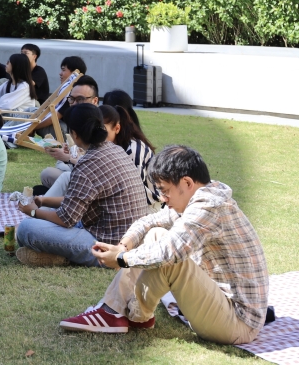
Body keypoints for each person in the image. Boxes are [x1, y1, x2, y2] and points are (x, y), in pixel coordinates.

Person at [61, 146, 268, 345]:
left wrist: (122, 259)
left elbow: (170, 252)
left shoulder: (208, 206)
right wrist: (123, 247)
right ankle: (116, 311)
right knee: (156, 234)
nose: (162, 198)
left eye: (165, 191)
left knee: (169, 258)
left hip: (238, 322)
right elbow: (149, 222)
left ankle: (132, 315)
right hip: (222, 303)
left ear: (187, 183)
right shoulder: (200, 194)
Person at [15, 104, 148, 267]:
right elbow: (79, 201)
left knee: (26, 228)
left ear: (75, 134)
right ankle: (55, 255)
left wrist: (34, 211)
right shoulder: (115, 150)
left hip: (109, 246)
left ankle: (61, 257)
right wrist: (44, 201)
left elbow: (66, 219)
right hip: (129, 238)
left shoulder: (87, 164)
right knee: (45, 221)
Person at [38, 75, 99, 191]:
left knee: (52, 177)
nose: (74, 104)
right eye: (72, 99)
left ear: (95, 101)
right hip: (77, 168)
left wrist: (68, 158)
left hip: (94, 178)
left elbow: (97, 165)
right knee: (48, 174)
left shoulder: (100, 122)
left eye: (80, 99)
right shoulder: (75, 120)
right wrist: (65, 151)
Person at [33, 56, 87, 137]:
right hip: (66, 130)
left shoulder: (72, 95)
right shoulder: (78, 89)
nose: (60, 73)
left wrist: (32, 127)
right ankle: (10, 135)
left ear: (74, 73)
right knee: (32, 111)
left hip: (64, 133)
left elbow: (53, 118)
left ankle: (8, 137)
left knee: (30, 114)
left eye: (63, 70)